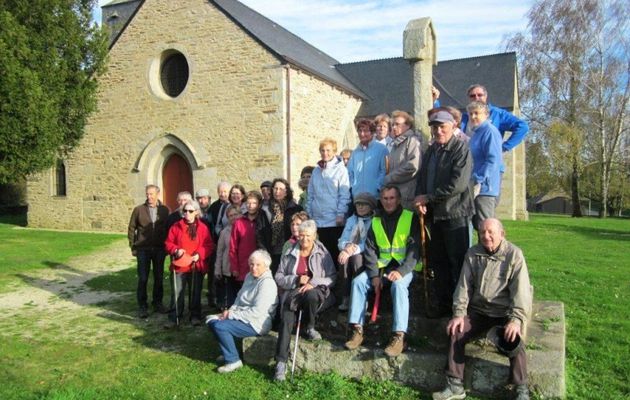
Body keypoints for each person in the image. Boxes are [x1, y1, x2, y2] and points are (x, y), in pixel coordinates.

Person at [432, 218, 532, 400]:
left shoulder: (514, 255)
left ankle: (521, 389)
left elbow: (521, 292)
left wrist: (516, 320)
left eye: (490, 232)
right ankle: (455, 385)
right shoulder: (472, 253)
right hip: (479, 311)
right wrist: (459, 314)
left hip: (504, 313)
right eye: (482, 232)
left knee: (514, 340)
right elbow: (464, 286)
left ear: (502, 234)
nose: (486, 236)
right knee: (456, 331)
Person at [345, 185, 420, 357]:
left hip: (404, 267)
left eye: (392, 198)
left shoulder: (411, 218)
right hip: (381, 267)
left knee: (399, 287)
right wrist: (373, 276)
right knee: (358, 282)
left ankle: (399, 335)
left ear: (399, 199)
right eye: (385, 198)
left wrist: (401, 271)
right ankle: (357, 329)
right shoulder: (376, 220)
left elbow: (415, 250)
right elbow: (370, 250)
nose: (388, 202)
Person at [414, 110, 474, 317]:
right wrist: (419, 197)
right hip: (435, 216)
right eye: (435, 127)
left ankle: (460, 307)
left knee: (457, 261)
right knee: (438, 261)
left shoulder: (460, 149)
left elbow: (457, 185)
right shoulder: (431, 150)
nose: (438, 131)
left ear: (453, 127)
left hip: (455, 214)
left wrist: (428, 198)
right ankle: (443, 304)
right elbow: (421, 177)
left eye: (442, 127)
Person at [273, 219, 337, 381]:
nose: (304, 239)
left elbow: (332, 278)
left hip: (315, 293)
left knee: (311, 295)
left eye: (308, 236)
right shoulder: (289, 252)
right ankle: (280, 363)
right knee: (286, 318)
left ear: (314, 235)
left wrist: (313, 283)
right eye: (301, 236)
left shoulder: (323, 253)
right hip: (293, 294)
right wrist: (295, 279)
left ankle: (309, 327)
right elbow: (279, 277)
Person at [207, 250, 278, 374]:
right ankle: (229, 351)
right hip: (243, 316)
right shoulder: (249, 277)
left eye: (257, 265)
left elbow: (257, 312)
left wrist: (231, 315)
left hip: (257, 323)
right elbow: (239, 299)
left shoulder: (267, 284)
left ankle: (233, 360)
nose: (253, 268)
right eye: (251, 264)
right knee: (212, 321)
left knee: (220, 326)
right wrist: (230, 311)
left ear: (266, 266)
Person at [164, 199, 214, 327]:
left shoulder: (203, 228)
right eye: (185, 211)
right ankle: (174, 317)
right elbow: (168, 243)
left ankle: (195, 315)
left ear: (196, 212)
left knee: (195, 292)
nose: (187, 213)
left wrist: (199, 254)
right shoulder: (176, 226)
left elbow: (208, 245)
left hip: (195, 266)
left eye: (190, 211)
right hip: (180, 265)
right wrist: (176, 250)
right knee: (177, 292)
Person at [127, 184, 170, 318]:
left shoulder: (165, 210)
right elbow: (131, 228)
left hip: (159, 249)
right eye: (147, 194)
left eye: (151, 194)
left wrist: (167, 246)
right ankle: (142, 306)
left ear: (158, 194)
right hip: (143, 249)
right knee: (143, 278)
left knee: (158, 277)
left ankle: (157, 303)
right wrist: (133, 246)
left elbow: (169, 229)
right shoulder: (138, 210)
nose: (149, 196)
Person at [307, 138, 351, 264]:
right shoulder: (316, 171)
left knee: (333, 253)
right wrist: (310, 213)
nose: (325, 153)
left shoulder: (341, 170)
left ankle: (336, 280)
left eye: (328, 150)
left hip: (334, 220)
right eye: (322, 150)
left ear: (334, 151)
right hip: (318, 220)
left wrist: (340, 214)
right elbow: (310, 194)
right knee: (320, 254)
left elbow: (344, 194)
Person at [459, 84, 529, 152]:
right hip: (466, 159)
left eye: (480, 95)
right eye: (472, 96)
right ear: (468, 98)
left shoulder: (497, 114)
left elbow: (523, 127)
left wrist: (504, 147)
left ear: (486, 96)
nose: (476, 98)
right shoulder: (464, 117)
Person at [337, 192, 376, 311]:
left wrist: (353, 249)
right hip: (349, 249)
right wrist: (346, 247)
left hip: (367, 251)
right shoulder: (351, 220)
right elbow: (342, 239)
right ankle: (346, 296)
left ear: (371, 206)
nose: (360, 207)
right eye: (358, 204)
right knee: (343, 259)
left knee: (356, 259)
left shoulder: (374, 221)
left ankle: (361, 297)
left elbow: (369, 242)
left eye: (364, 204)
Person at [467, 101, 503, 228]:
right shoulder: (476, 133)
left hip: (485, 188)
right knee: (478, 226)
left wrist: (478, 179)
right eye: (471, 114)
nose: (473, 117)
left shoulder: (490, 132)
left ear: (486, 115)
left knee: (486, 228)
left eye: (477, 113)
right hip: (475, 187)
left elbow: (493, 159)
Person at [229, 191, 271, 294]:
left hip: (259, 265)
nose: (250, 206)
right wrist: (234, 267)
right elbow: (233, 247)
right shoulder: (239, 223)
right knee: (244, 294)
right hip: (243, 266)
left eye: (254, 203)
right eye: (248, 203)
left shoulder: (263, 221)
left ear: (259, 204)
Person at [383, 110, 422, 210]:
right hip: (396, 197)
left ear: (407, 125)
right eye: (392, 124)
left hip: (407, 196)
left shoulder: (412, 141)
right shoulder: (396, 144)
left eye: (397, 124)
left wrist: (390, 177)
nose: (394, 127)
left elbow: (413, 167)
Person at [264, 178, 303, 272]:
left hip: (290, 248)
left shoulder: (295, 208)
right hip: (271, 250)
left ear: (286, 192)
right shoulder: (265, 208)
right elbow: (261, 231)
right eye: (275, 188)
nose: (277, 191)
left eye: (281, 189)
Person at [346, 118, 388, 199]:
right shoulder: (355, 153)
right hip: (357, 196)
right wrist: (352, 187)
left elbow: (385, 171)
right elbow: (349, 172)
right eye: (360, 131)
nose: (362, 134)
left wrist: (377, 188)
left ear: (372, 133)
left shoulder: (382, 149)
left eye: (365, 131)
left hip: (374, 197)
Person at [207, 181, 231, 308]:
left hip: (230, 242)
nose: (223, 194)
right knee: (216, 272)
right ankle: (215, 298)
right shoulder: (214, 206)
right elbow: (209, 223)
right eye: (220, 192)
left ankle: (228, 299)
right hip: (216, 243)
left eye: (225, 191)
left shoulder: (233, 205)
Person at [214, 205, 242, 310]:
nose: (233, 217)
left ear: (240, 214)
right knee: (231, 294)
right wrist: (218, 270)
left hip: (242, 267)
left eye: (235, 214)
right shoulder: (224, 232)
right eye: (230, 216)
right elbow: (219, 252)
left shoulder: (245, 229)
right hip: (228, 268)